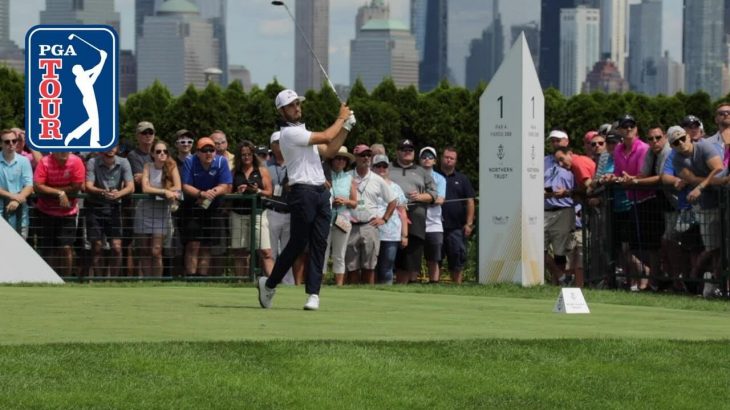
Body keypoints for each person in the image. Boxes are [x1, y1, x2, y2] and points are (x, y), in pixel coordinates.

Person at [257, 88, 355, 311]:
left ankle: (313, 294)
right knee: (298, 243)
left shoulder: (303, 132)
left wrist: (347, 127)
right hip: (302, 193)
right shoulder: (288, 134)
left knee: (320, 243)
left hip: (321, 193)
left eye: (298, 104)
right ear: (282, 111)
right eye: (291, 105)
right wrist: (341, 117)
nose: (297, 108)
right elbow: (327, 136)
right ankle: (270, 284)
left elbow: (330, 150)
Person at [668, 126, 725, 298]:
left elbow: (719, 168)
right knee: (714, 247)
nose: (681, 143)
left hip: (723, 200)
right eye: (675, 142)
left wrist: (701, 185)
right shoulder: (677, 159)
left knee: (723, 246)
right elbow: (692, 178)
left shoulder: (704, 146)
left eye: (682, 138)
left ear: (688, 137)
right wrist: (715, 182)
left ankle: (709, 277)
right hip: (707, 205)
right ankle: (714, 281)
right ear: (671, 146)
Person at [181, 137, 232, 277]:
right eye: (205, 150)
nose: (208, 153)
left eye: (211, 150)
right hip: (193, 207)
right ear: (198, 152)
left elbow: (225, 185)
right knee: (193, 244)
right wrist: (200, 194)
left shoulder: (222, 161)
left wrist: (212, 193)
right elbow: (185, 186)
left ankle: (202, 278)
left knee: (207, 245)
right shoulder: (190, 161)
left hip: (213, 207)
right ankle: (191, 277)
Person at [346, 144, 396, 285]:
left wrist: (384, 219)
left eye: (368, 155)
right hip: (350, 226)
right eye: (363, 155)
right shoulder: (347, 176)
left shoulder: (377, 179)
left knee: (369, 266)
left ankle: (368, 293)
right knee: (351, 267)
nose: (366, 158)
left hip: (370, 225)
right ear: (355, 157)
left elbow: (393, 201)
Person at [390, 139, 438, 284]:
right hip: (393, 213)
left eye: (410, 150)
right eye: (404, 149)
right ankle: (398, 282)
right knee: (395, 248)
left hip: (415, 212)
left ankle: (412, 282)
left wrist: (420, 196)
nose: (407, 152)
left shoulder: (422, 171)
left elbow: (433, 194)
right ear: (398, 151)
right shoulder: (388, 168)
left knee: (414, 250)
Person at [84, 145, 134, 277]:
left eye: (114, 145)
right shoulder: (92, 161)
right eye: (107, 145)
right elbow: (88, 185)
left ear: (117, 148)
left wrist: (119, 194)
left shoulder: (123, 162)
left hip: (114, 207)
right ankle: (99, 280)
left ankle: (113, 281)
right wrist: (102, 192)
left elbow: (130, 186)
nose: (111, 148)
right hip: (95, 206)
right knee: (97, 246)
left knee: (117, 247)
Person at [33, 152, 85, 276]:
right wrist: (60, 193)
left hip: (68, 212)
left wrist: (52, 189)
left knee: (66, 247)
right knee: (48, 249)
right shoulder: (44, 161)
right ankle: (50, 279)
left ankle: (66, 280)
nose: (63, 152)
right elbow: (38, 186)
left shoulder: (76, 161)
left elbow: (77, 186)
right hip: (45, 211)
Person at [136, 141, 181, 277]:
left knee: (156, 251)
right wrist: (164, 192)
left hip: (161, 213)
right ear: (152, 154)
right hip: (144, 211)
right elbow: (145, 188)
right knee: (144, 250)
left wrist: (163, 191)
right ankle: (147, 282)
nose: (162, 154)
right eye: (158, 151)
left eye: (165, 151)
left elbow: (178, 187)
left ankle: (156, 281)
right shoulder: (147, 166)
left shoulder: (172, 166)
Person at [230, 140, 273, 277]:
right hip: (238, 213)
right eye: (243, 154)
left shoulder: (262, 171)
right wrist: (239, 191)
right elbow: (228, 190)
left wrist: (257, 190)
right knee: (240, 251)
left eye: (249, 154)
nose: (246, 157)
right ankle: (241, 283)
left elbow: (269, 192)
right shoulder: (234, 172)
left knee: (265, 251)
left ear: (253, 155)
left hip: (259, 213)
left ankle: (273, 283)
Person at [265, 131, 301, 285]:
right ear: (272, 146)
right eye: (277, 143)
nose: (280, 145)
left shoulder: (295, 162)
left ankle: (287, 283)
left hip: (290, 212)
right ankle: (271, 281)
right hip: (272, 211)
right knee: (271, 251)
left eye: (282, 142)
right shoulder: (265, 165)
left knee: (288, 251)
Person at [439, 147, 475, 284]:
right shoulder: (434, 176)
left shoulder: (462, 179)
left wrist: (469, 224)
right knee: (437, 258)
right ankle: (435, 286)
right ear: (442, 158)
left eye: (451, 158)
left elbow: (470, 202)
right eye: (446, 157)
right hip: (436, 226)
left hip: (457, 228)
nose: (448, 160)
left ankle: (457, 287)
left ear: (455, 161)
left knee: (457, 259)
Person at [544, 130, 575, 286]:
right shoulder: (543, 161)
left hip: (564, 210)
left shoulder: (573, 161)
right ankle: (561, 277)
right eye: (552, 141)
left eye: (558, 140)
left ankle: (558, 284)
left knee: (560, 252)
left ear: (566, 141)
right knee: (537, 248)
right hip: (544, 209)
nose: (555, 143)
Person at [323, 146, 356, 286]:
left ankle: (339, 286)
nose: (341, 161)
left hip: (342, 218)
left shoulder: (350, 178)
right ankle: (318, 284)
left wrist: (345, 201)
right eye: (338, 158)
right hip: (324, 218)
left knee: (339, 254)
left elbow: (355, 203)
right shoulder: (323, 175)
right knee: (322, 254)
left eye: (344, 159)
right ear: (332, 160)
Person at [419, 146, 446, 283]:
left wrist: (421, 198)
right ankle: (412, 283)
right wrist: (430, 198)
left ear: (435, 161)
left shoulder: (440, 179)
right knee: (414, 257)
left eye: (430, 157)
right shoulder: (415, 176)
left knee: (433, 258)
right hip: (417, 222)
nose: (427, 159)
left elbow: (440, 200)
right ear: (419, 160)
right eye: (424, 157)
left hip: (434, 223)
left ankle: (434, 283)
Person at [0, 129, 33, 239]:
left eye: (14, 141)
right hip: (1, 212)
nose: (11, 144)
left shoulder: (24, 161)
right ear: (1, 144)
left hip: (20, 214)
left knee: (19, 251)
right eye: (7, 142)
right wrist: (14, 197)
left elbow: (29, 185)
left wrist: (17, 200)